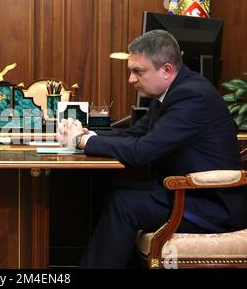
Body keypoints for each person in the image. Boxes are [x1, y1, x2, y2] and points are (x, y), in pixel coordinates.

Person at [57, 30, 247, 268]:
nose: (131, 79)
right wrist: (87, 133)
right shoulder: (172, 92)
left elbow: (142, 152)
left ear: (166, 70)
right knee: (106, 188)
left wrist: (84, 143)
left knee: (122, 205)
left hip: (209, 204)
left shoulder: (192, 96)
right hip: (183, 192)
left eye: (138, 71)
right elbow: (134, 134)